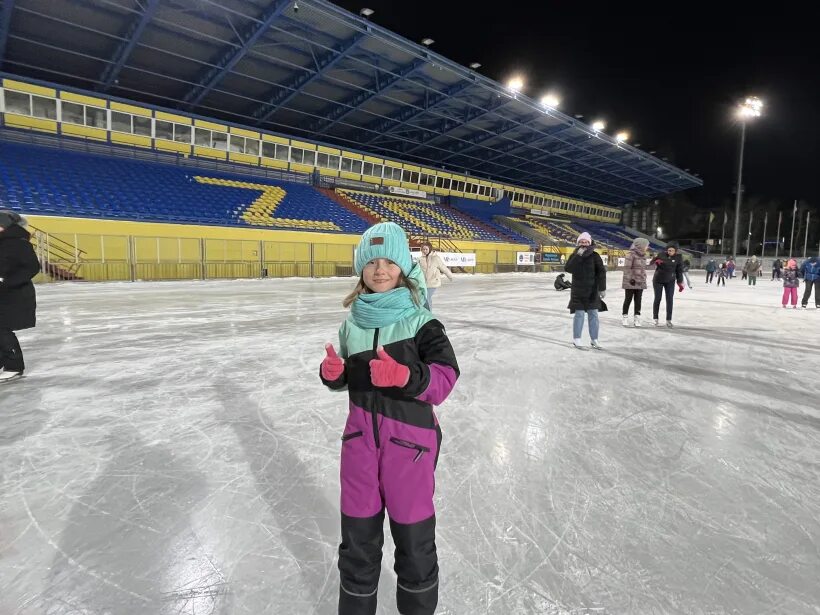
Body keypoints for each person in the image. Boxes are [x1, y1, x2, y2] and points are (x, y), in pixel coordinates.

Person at [320, 222, 459, 615]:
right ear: (360, 270)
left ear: (403, 267)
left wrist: (406, 377)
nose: (379, 269)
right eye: (371, 262)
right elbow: (348, 375)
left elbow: (446, 378)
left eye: (388, 262)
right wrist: (336, 374)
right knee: (357, 548)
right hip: (360, 448)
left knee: (414, 549)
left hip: (410, 450)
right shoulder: (352, 325)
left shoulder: (421, 322)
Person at [0, 211, 41, 383]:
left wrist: (6, 280)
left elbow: (32, 268)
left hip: (15, 294)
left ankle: (14, 366)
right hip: (3, 293)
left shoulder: (19, 243)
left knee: (2, 328)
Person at [564, 232, 606, 349]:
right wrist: (578, 256)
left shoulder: (595, 256)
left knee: (593, 314)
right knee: (579, 314)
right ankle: (577, 339)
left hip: (593, 290)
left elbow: (601, 273)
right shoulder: (574, 255)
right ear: (578, 243)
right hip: (578, 290)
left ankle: (594, 340)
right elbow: (568, 269)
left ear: (590, 242)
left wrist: (602, 288)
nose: (584, 244)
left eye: (586, 242)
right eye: (582, 242)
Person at [651, 242, 684, 327]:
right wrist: (655, 260)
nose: (669, 252)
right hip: (658, 280)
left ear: (675, 251)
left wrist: (680, 282)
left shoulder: (678, 258)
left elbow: (679, 271)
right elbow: (651, 263)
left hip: (670, 281)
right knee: (657, 298)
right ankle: (655, 319)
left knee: (669, 299)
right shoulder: (661, 254)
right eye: (668, 250)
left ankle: (668, 320)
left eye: (672, 251)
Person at [621, 237, 649, 327]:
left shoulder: (644, 255)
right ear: (641, 245)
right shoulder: (631, 254)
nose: (647, 247)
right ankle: (625, 317)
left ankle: (637, 317)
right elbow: (627, 268)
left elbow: (643, 268)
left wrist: (644, 277)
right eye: (646, 245)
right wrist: (630, 279)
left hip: (640, 281)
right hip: (631, 281)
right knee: (628, 299)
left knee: (638, 300)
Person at [417, 241, 453, 311]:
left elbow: (443, 267)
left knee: (427, 298)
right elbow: (417, 270)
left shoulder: (436, 258)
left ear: (429, 249)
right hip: (424, 283)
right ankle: (425, 313)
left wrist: (450, 276)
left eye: (426, 249)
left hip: (433, 282)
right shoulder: (420, 259)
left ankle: (429, 314)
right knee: (424, 298)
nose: (424, 251)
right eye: (423, 249)